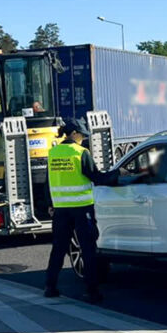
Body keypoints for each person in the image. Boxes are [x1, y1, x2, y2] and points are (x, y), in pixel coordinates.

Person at [44, 119, 113, 303]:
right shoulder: (81, 153)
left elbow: (47, 181)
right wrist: (117, 175)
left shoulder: (53, 153)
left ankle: (50, 287)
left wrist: (50, 204)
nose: (83, 139)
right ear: (74, 133)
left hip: (60, 210)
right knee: (88, 249)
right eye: (82, 135)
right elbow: (96, 177)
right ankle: (92, 291)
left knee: (58, 248)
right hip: (82, 209)